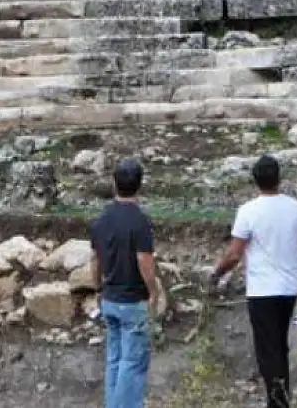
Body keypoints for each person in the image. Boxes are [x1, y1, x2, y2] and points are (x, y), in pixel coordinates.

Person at [211, 155, 297, 408]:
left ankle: (277, 401)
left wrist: (217, 273)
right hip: (288, 287)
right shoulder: (294, 206)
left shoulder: (248, 211)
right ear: (279, 178)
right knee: (279, 345)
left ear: (255, 181)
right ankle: (281, 397)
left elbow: (234, 254)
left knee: (268, 350)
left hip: (263, 290)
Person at [89, 158, 165, 408]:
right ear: (140, 186)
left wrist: (98, 287)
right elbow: (144, 260)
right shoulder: (140, 222)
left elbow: (95, 259)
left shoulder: (101, 220)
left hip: (109, 298)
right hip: (133, 301)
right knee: (132, 363)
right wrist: (153, 291)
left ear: (114, 183)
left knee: (114, 359)